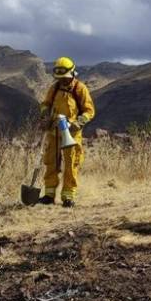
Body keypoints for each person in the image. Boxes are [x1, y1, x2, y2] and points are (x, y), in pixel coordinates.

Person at [38, 57, 95, 208]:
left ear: (72, 74)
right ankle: (49, 195)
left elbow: (89, 111)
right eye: (60, 78)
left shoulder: (80, 89)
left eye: (65, 78)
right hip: (53, 133)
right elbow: (45, 104)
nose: (63, 81)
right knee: (51, 163)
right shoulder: (54, 88)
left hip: (71, 134)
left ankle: (68, 196)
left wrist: (77, 123)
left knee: (71, 165)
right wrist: (45, 116)